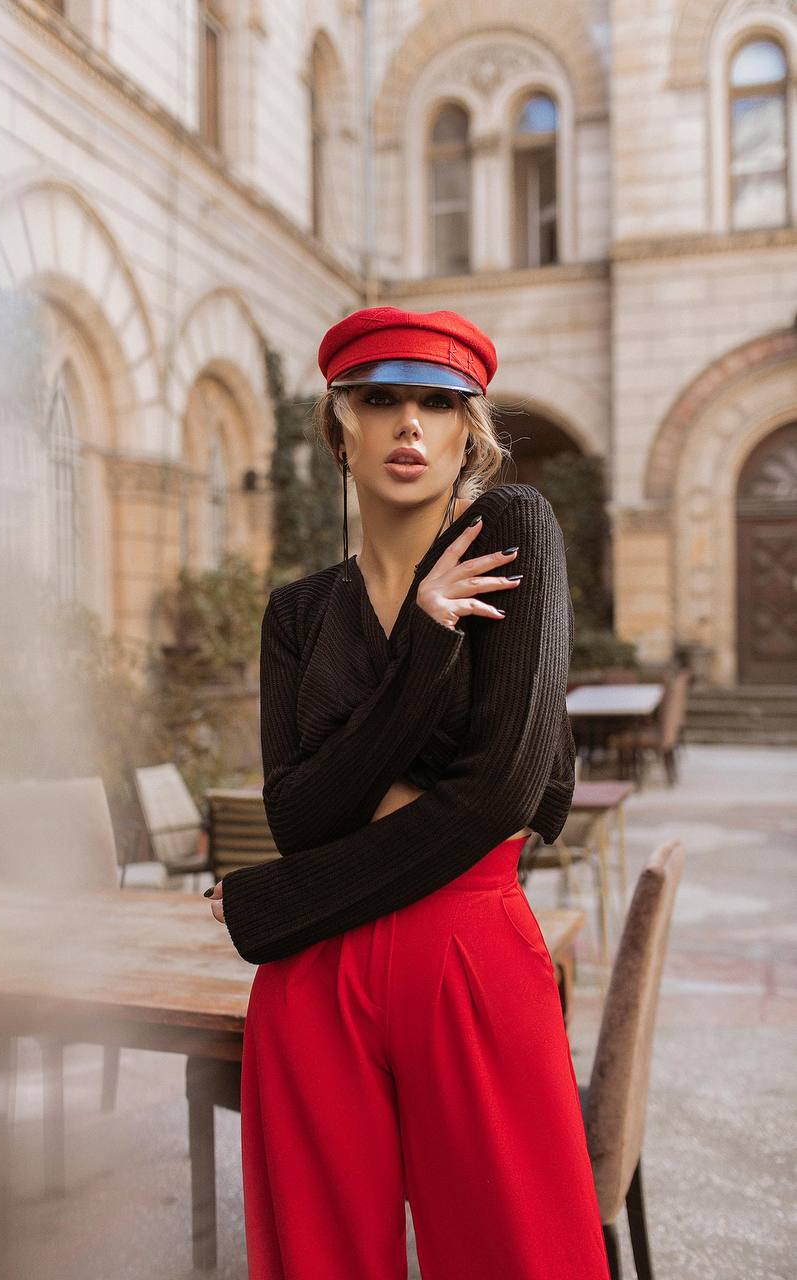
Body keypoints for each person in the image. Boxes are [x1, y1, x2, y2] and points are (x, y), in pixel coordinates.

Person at [205, 306, 610, 1279]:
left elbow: (500, 793)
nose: (409, 425)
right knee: (319, 1257)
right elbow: (297, 811)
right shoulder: (298, 611)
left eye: (437, 401)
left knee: (518, 1252)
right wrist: (424, 643)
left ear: (472, 429)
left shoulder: (513, 531)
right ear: (337, 422)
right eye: (378, 399)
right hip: (312, 983)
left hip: (462, 946)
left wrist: (271, 902)